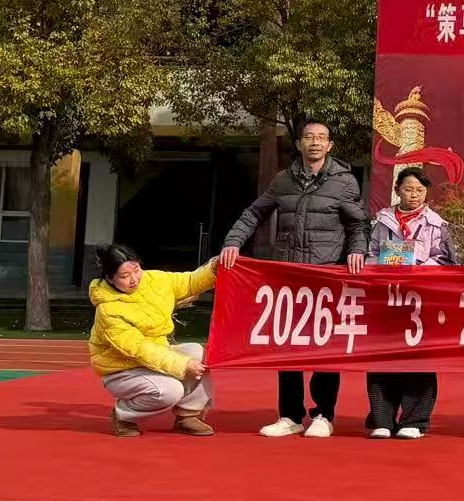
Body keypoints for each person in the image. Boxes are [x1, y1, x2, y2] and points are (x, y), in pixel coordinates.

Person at [220, 119, 369, 439]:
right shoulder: (283, 180)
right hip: (288, 275)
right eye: (309, 137)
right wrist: (233, 242)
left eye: (321, 138)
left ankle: (324, 414)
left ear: (330, 146)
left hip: (325, 275)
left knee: (325, 347)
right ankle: (289, 415)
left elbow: (358, 223)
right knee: (287, 345)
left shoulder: (344, 182)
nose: (315, 142)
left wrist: (357, 250)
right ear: (300, 143)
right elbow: (254, 213)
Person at [365, 167, 458, 440]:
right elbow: (370, 253)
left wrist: (417, 268)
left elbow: (446, 260)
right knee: (382, 357)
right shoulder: (382, 221)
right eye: (408, 189)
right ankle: (382, 419)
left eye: (419, 190)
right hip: (386, 298)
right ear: (397, 191)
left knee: (419, 358)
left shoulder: (436, 224)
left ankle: (415, 420)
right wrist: (383, 265)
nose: (414, 195)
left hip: (421, 301)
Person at [88, 244, 218, 438]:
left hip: (154, 356)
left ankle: (188, 415)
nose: (134, 279)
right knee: (170, 391)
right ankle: (123, 415)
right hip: (121, 370)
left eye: (136, 269)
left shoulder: (156, 279)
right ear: (110, 278)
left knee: (197, 352)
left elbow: (190, 282)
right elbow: (139, 349)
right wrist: (183, 365)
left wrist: (214, 268)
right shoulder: (108, 310)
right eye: (124, 276)